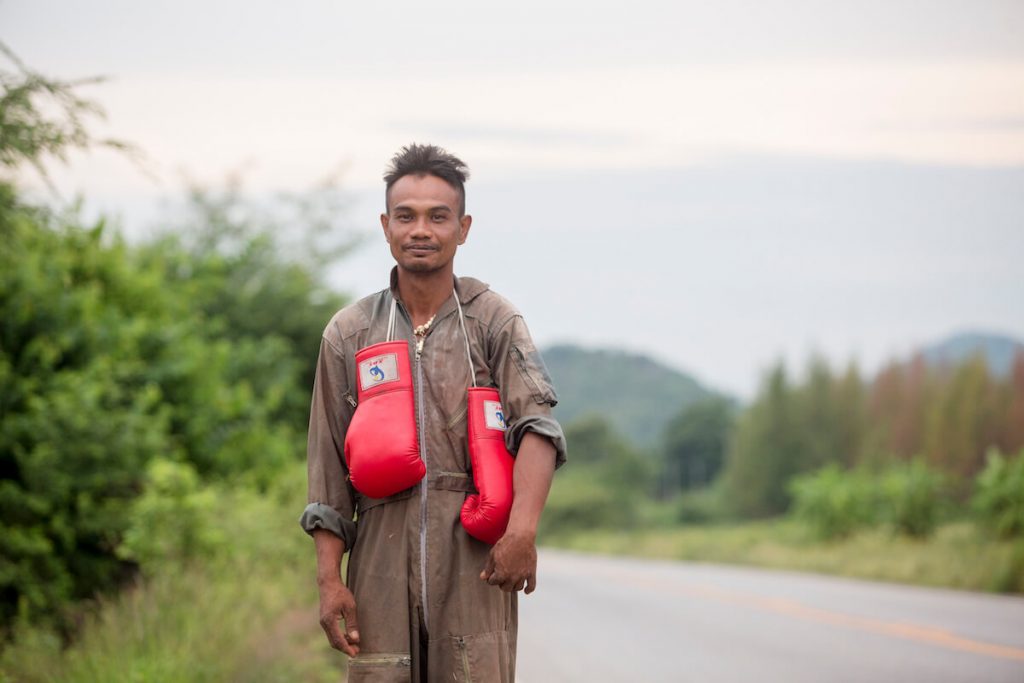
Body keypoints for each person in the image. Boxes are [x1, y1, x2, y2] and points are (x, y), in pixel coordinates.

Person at [300, 143, 566, 682]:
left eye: (437, 216)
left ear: (463, 228)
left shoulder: (494, 322)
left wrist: (522, 533)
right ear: (386, 225)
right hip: (378, 557)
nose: (421, 229)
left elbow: (537, 428)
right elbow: (327, 474)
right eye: (407, 215)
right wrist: (330, 580)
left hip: (474, 560)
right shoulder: (349, 334)